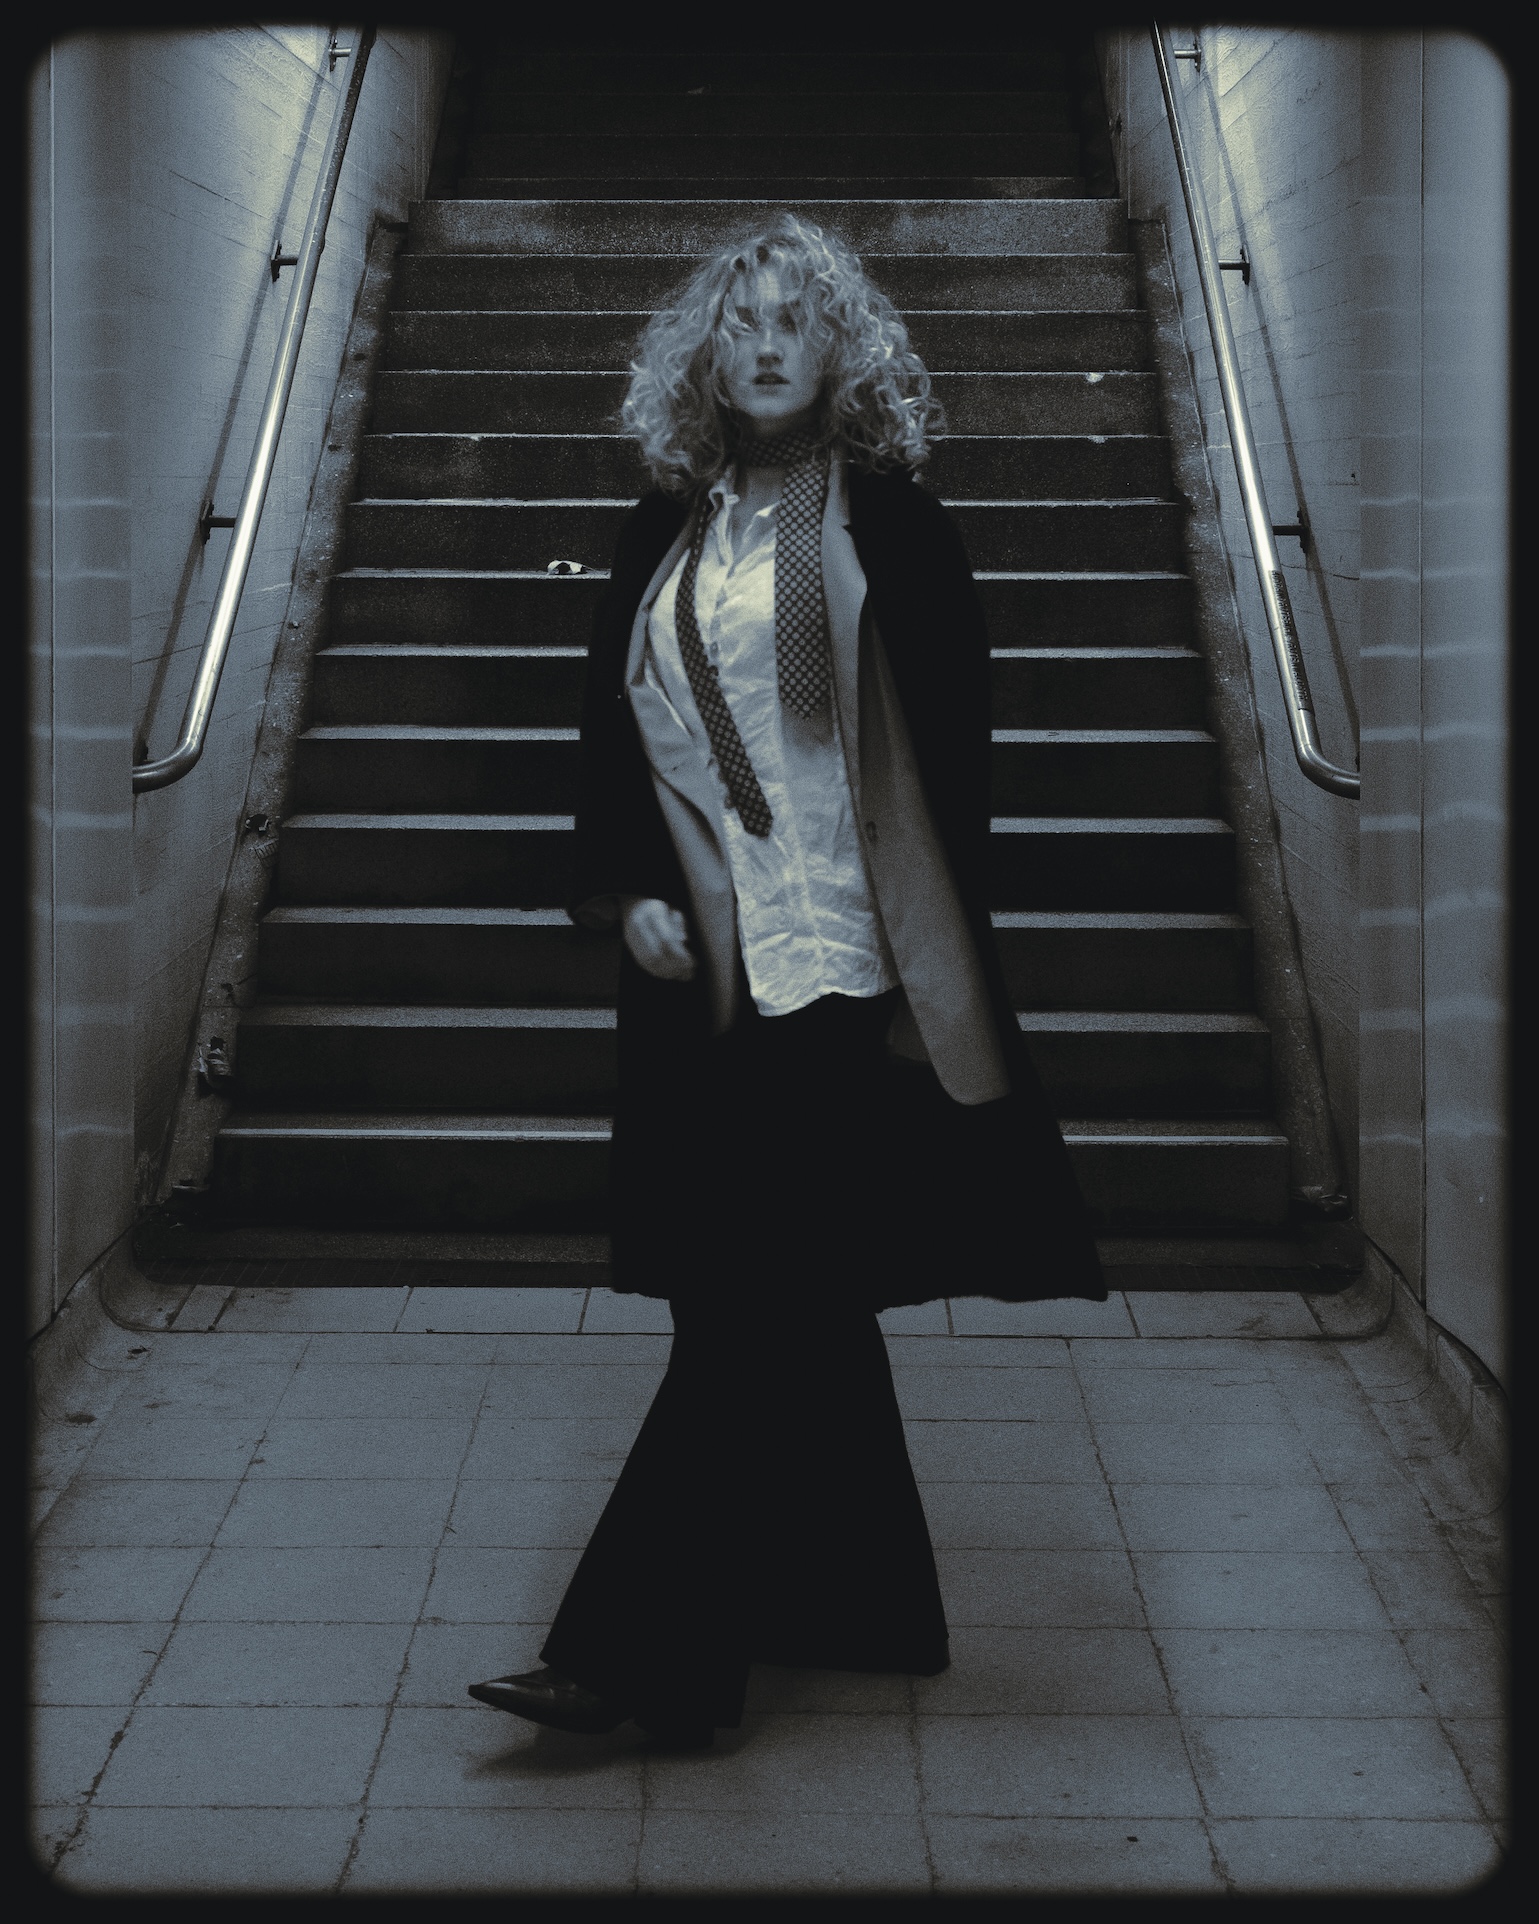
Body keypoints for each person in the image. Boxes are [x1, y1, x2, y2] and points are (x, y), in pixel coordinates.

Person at [469, 212, 1104, 1750]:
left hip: (846, 964)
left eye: (795, 322)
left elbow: (956, 765)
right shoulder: (671, 526)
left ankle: (641, 1663)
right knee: (775, 1290)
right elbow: (615, 728)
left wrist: (922, 970)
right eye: (740, 323)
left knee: (748, 1304)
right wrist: (624, 889)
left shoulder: (894, 527)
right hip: (715, 966)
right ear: (706, 353)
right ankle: (863, 1602)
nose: (765, 346)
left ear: (841, 351)